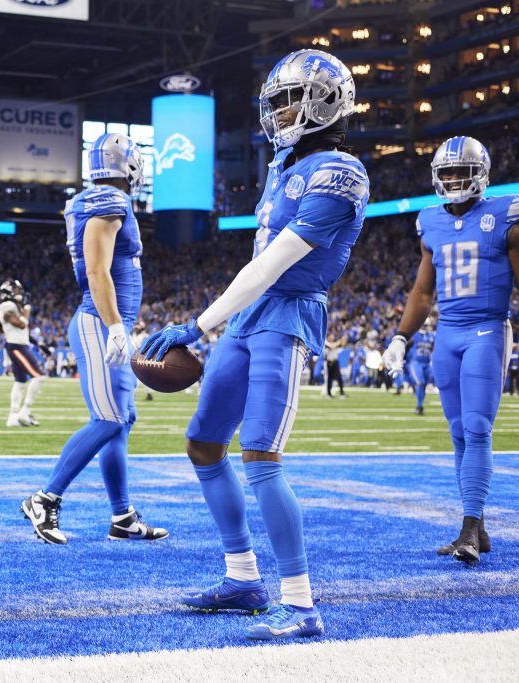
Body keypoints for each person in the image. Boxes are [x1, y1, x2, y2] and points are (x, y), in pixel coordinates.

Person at [142, 49, 366, 640]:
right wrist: (217, 321)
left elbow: (273, 264)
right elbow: (255, 269)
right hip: (250, 317)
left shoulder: (341, 171)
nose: (281, 111)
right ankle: (243, 578)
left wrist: (199, 325)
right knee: (203, 444)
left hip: (288, 314)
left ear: (324, 104)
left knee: (262, 455)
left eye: (291, 99)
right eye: (278, 101)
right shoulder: (284, 167)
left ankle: (302, 605)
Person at [22, 133, 167, 545]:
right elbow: (97, 271)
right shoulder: (108, 200)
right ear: (129, 163)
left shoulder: (108, 200)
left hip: (109, 322)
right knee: (109, 419)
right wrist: (117, 326)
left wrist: (122, 327)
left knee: (122, 423)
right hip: (98, 322)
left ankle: (122, 517)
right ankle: (44, 498)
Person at [382, 135, 518, 565]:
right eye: (448, 173)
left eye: (463, 171)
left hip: (487, 330)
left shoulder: (505, 214)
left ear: (481, 174)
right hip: (448, 335)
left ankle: (468, 529)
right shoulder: (430, 223)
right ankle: (477, 528)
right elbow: (423, 293)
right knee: (459, 432)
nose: (456, 179)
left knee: (478, 426)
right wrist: (401, 337)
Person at [0, 279, 44, 427]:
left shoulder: (12, 305)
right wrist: (27, 309)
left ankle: (12, 417)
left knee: (20, 382)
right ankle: (25, 410)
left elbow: (22, 330)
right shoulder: (7, 306)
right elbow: (21, 323)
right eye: (17, 290)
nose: (19, 293)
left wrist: (39, 344)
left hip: (18, 345)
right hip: (17, 346)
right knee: (38, 376)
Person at [406, 320, 435, 415]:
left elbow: (433, 349)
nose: (424, 326)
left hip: (426, 364)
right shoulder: (414, 335)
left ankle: (420, 405)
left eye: (425, 325)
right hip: (416, 363)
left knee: (425, 384)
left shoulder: (431, 336)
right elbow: (406, 347)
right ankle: (419, 406)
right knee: (420, 383)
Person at [130, 319, 153, 400]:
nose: (136, 329)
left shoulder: (145, 336)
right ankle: (132, 393)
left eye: (138, 328)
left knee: (145, 377)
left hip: (143, 357)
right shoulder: (133, 335)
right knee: (133, 376)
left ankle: (149, 393)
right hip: (134, 357)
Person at [324, 328, 347, 398]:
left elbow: (343, 344)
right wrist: (340, 340)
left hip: (335, 362)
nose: (332, 337)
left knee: (339, 378)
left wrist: (344, 338)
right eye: (331, 336)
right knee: (329, 379)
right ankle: (329, 394)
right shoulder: (326, 343)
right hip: (329, 363)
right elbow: (332, 346)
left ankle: (342, 393)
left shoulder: (335, 342)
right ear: (328, 337)